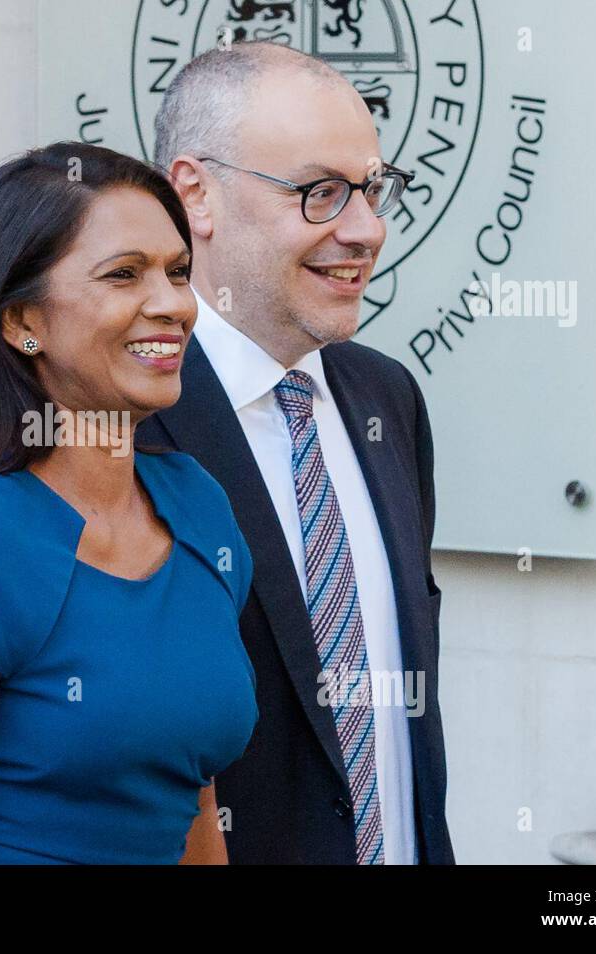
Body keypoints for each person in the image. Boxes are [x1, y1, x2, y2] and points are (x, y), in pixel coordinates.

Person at [0, 142, 258, 864]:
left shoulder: (199, 506)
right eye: (124, 275)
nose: (171, 305)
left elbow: (189, 795)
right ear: (20, 322)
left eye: (178, 271)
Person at [139, 42, 455, 864]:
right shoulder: (122, 424)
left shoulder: (388, 400)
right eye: (321, 193)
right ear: (194, 194)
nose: (367, 230)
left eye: (374, 190)